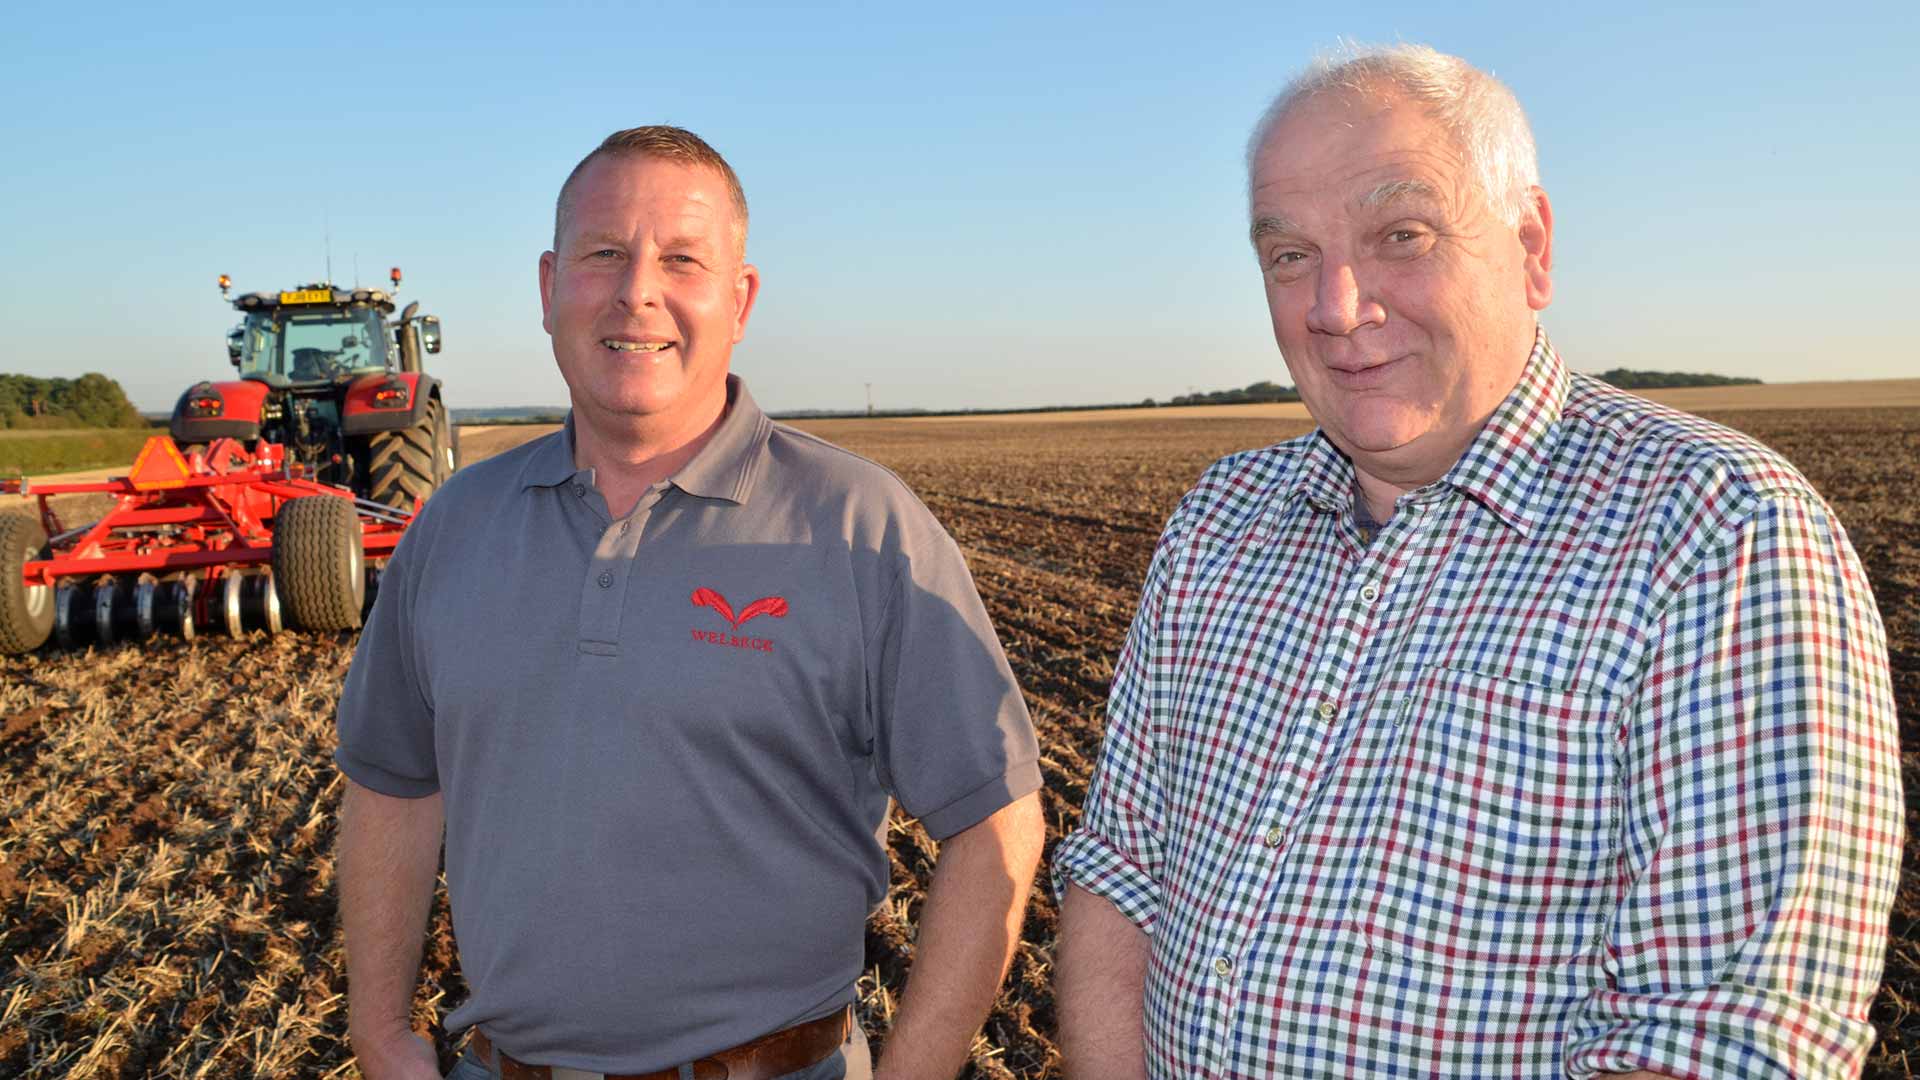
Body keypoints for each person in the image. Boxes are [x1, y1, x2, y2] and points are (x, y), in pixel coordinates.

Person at [1053, 44, 1900, 1080]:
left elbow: (1724, 1038)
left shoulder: (1715, 532)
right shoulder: (1221, 523)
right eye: (1289, 256)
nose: (1337, 304)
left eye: (1401, 236)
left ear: (1531, 247)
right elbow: (1121, 869)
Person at [335, 126, 1045, 1080]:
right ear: (549, 287)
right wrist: (380, 1032)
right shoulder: (454, 528)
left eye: (681, 259)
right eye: (603, 255)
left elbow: (997, 816)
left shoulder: (860, 528)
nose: (637, 291)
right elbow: (391, 784)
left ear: (739, 299)